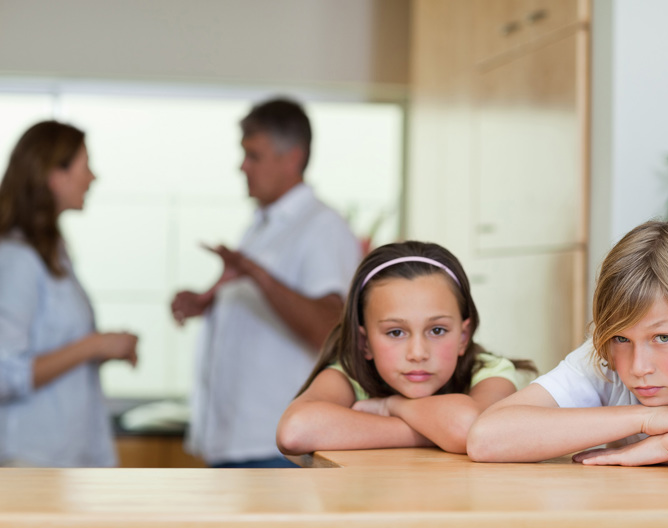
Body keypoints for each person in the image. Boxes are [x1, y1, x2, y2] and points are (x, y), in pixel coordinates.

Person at [467, 214, 668, 479]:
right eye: (621, 338)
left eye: (663, 338)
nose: (638, 367)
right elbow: (487, 438)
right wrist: (646, 418)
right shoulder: (605, 357)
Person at [170, 98, 361, 468]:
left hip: (274, 446)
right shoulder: (262, 226)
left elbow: (330, 327)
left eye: (253, 156)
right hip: (233, 442)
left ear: (292, 158)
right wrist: (207, 301)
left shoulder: (323, 227)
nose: (242, 167)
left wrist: (257, 274)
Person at [277, 241, 537, 455]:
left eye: (437, 330)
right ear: (364, 342)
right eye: (396, 332)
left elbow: (470, 428)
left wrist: (391, 406)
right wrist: (431, 432)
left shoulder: (490, 372)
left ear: (463, 336)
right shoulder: (349, 377)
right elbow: (295, 431)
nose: (417, 353)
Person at [0, 121, 138, 467]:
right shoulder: (18, 259)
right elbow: (5, 373)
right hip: (30, 461)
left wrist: (103, 349)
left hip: (66, 458)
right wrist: (93, 345)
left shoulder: (52, 253)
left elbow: (46, 348)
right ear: (54, 175)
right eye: (85, 165)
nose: (93, 178)